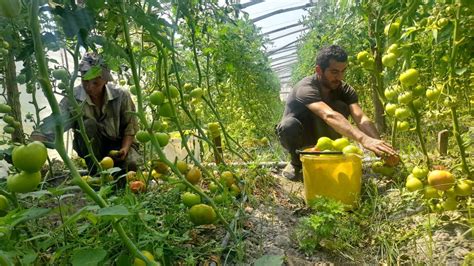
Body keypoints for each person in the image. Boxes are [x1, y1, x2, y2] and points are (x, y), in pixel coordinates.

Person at [276, 45, 397, 180]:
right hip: (302, 136)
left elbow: (361, 118)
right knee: (288, 125)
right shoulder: (305, 87)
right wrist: (363, 139)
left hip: (327, 140)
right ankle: (296, 162)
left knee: (341, 106)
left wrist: (378, 145)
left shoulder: (344, 89)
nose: (340, 77)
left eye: (343, 71)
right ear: (319, 70)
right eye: (334, 72)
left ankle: (330, 156)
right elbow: (328, 115)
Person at [31, 52, 141, 174]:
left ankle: (116, 172)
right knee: (89, 125)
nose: (89, 87)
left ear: (105, 80)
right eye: (85, 81)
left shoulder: (121, 95)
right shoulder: (73, 98)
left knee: (132, 165)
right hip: (90, 147)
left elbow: (130, 128)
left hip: (118, 146)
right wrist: (29, 147)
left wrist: (124, 149)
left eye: (95, 83)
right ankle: (95, 173)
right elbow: (54, 124)